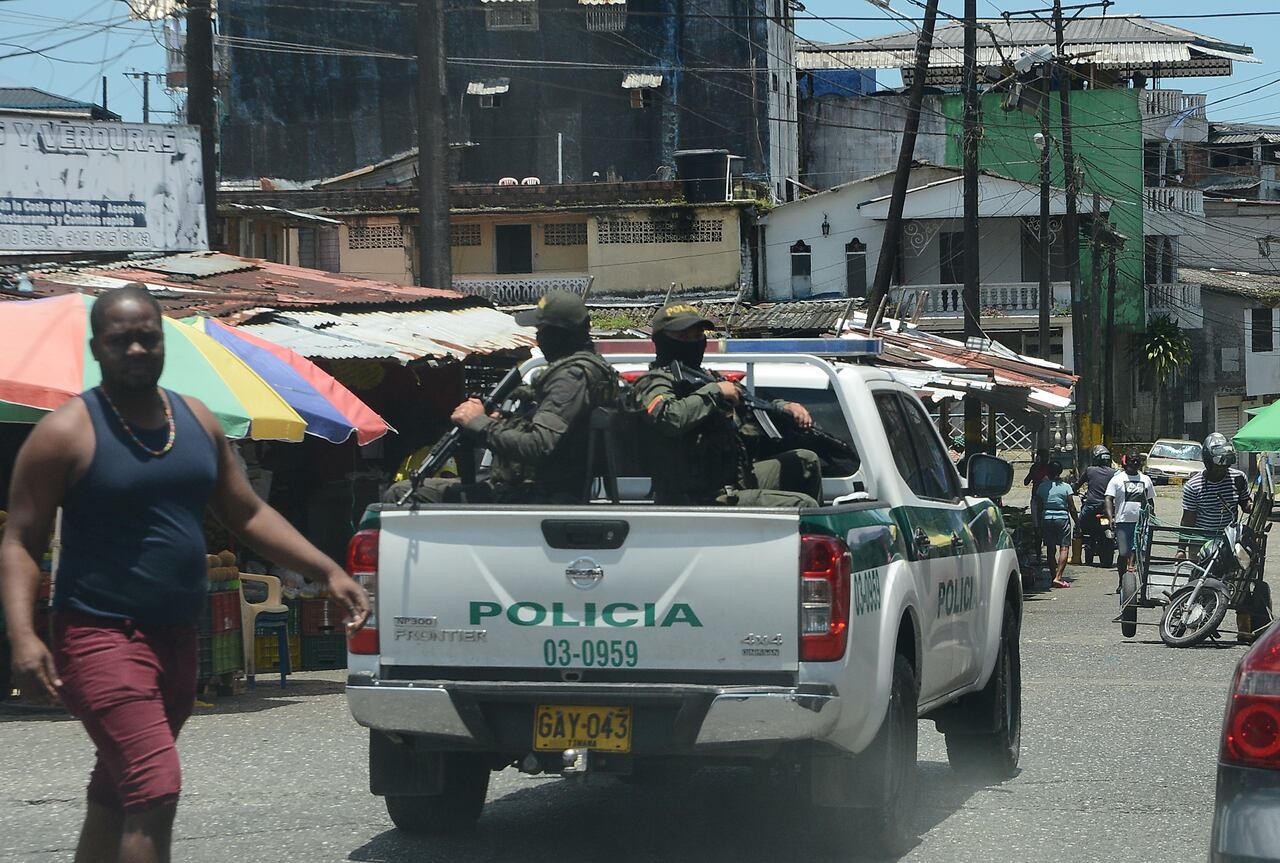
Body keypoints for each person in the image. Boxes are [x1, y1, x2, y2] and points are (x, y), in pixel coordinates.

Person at [0, 284, 370, 863]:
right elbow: (20, 539)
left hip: (178, 637)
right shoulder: (65, 433)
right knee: (155, 789)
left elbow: (246, 512)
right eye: (121, 340)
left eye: (148, 337)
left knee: (116, 790)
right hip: (100, 635)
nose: (137, 350)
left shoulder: (195, 420)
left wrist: (326, 569)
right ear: (97, 347)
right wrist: (23, 635)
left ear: (163, 340)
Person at [386, 289, 619, 505]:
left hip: (535, 496)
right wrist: (501, 423)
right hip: (536, 491)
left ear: (559, 333)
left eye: (542, 330)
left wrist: (479, 423)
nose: (538, 337)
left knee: (401, 493)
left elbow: (540, 445)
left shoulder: (571, 377)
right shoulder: (584, 371)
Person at [628, 303, 822, 506]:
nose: (692, 343)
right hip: (696, 497)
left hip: (733, 479)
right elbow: (671, 418)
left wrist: (786, 407)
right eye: (683, 337)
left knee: (805, 462)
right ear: (662, 340)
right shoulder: (654, 382)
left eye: (697, 336)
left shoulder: (707, 378)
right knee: (802, 505)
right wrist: (716, 392)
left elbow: (753, 402)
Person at [1179, 432, 1252, 554]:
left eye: (1225, 467)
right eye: (1217, 467)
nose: (1221, 471)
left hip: (1229, 540)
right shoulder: (1193, 486)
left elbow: (1245, 503)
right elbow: (1188, 520)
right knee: (1201, 571)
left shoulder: (1238, 478)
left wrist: (1254, 505)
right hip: (1201, 542)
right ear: (1208, 463)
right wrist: (1181, 548)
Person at [1105, 448, 1156, 592]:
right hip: (1122, 522)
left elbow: (1150, 501)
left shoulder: (1146, 480)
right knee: (1123, 553)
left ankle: (1133, 577)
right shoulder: (1117, 480)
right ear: (1125, 462)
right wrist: (1110, 517)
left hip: (1140, 523)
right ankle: (1123, 581)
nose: (1134, 463)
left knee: (1136, 551)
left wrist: (1151, 516)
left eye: (1137, 461)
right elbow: (1108, 498)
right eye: (1131, 460)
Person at [1035, 461, 1077, 588]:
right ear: (1060, 472)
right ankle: (1059, 577)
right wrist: (1077, 523)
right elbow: (1072, 508)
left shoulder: (1042, 487)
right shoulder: (1066, 487)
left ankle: (1054, 576)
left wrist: (1037, 524)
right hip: (1062, 519)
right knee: (1064, 548)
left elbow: (1039, 507)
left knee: (1050, 549)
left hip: (1046, 519)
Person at [1077, 444, 1117, 527]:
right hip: (1107, 507)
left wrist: (1073, 490)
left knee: (1079, 524)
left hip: (1091, 505)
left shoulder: (1090, 470)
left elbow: (1078, 484)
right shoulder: (1114, 473)